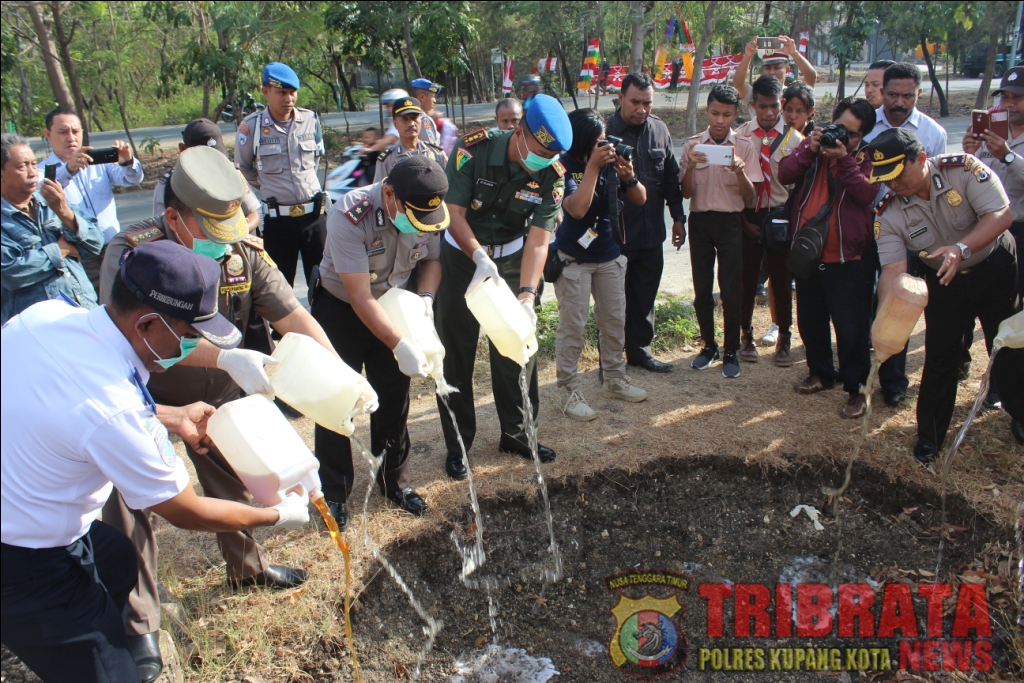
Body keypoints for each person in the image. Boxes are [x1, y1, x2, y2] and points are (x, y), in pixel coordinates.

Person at [1, 240, 310, 683]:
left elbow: (73, 408)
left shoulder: (43, 318)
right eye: (187, 336)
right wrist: (277, 514)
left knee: (116, 558)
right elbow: (187, 510)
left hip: (26, 513)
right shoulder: (116, 409)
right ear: (147, 323)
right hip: (26, 563)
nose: (192, 346)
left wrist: (170, 415)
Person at [97, 147, 331, 679]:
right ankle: (140, 624)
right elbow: (137, 333)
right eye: (210, 225)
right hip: (145, 398)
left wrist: (338, 371)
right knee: (133, 509)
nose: (223, 240)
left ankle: (247, 570)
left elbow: (292, 313)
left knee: (233, 480)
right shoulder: (131, 253)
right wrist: (228, 354)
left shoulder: (239, 250)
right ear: (175, 217)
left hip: (220, 391)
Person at [435, 93, 570, 480]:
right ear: (520, 130)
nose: (543, 160)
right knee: (457, 353)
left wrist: (527, 294)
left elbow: (540, 238)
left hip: (512, 260)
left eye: (551, 154)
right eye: (540, 150)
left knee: (516, 350)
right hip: (463, 259)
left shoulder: (552, 174)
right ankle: (459, 445)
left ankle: (518, 434)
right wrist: (478, 256)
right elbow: (454, 214)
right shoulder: (471, 149)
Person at [313, 156, 447, 527]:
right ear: (389, 194)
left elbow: (431, 262)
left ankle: (395, 483)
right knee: (336, 401)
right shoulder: (349, 214)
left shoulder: (429, 207)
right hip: (341, 309)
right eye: (410, 214)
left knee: (394, 395)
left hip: (393, 305)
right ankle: (335, 493)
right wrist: (399, 344)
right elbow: (359, 295)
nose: (419, 225)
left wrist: (425, 301)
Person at [869, 128, 1018, 463]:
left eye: (897, 174)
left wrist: (962, 248)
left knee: (1008, 346)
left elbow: (1001, 215)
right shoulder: (888, 212)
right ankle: (930, 438)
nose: (892, 184)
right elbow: (892, 272)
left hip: (994, 266)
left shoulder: (963, 169)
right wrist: (884, 321)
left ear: (921, 158)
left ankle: (1019, 413)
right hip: (943, 281)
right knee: (940, 356)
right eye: (885, 178)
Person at [778, 98, 877, 418]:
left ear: (861, 137)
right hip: (809, 252)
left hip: (846, 256)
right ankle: (821, 373)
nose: (842, 137)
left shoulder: (867, 158)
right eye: (839, 128)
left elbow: (866, 194)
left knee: (851, 329)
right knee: (811, 319)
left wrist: (845, 158)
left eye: (852, 134)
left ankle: (857, 389)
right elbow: (784, 172)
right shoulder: (812, 144)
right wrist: (811, 147)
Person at [551, 108, 648, 421]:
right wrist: (592, 167)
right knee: (573, 327)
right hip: (573, 259)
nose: (605, 147)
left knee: (613, 320)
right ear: (581, 142)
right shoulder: (562, 165)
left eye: (605, 141)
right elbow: (576, 210)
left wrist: (628, 176)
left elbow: (641, 199)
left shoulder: (610, 161)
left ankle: (615, 378)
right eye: (597, 143)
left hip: (607, 254)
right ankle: (568, 389)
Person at [863, 61, 949, 406]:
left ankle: (904, 381)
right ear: (881, 91)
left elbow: (939, 190)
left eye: (907, 96)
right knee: (883, 301)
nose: (899, 102)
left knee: (913, 304)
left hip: (921, 235)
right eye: (893, 94)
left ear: (919, 94)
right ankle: (888, 377)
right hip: (872, 228)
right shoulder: (866, 128)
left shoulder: (934, 133)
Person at [680, 84, 762, 378]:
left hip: (730, 223)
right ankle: (708, 345)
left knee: (730, 289)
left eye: (727, 114)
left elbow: (750, 196)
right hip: (701, 222)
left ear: (735, 115)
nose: (719, 120)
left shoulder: (745, 146)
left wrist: (739, 170)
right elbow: (686, 193)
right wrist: (690, 166)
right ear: (707, 111)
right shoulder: (693, 145)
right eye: (715, 113)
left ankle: (730, 349)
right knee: (702, 289)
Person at [606, 73, 686, 373]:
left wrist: (678, 218)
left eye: (647, 102)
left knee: (644, 296)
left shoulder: (659, 130)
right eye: (635, 102)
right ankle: (611, 358)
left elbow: (670, 179)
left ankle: (640, 351)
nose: (641, 109)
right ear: (621, 98)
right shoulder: (604, 132)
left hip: (652, 232)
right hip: (616, 235)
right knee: (614, 301)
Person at [236, 62, 328, 288]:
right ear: (265, 92)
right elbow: (244, 168)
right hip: (279, 221)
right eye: (281, 93)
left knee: (324, 284)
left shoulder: (310, 120)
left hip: (314, 217)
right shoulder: (252, 128)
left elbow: (315, 160)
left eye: (292, 92)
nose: (289, 99)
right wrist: (270, 185)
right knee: (279, 288)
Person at [735, 76, 804, 367]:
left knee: (781, 280)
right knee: (747, 280)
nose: (767, 113)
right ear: (752, 105)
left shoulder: (795, 139)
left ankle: (784, 339)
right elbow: (732, 185)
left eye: (774, 106)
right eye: (761, 106)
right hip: (749, 214)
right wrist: (742, 221)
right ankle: (746, 335)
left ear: (782, 104)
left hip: (781, 215)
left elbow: (800, 187)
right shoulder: (740, 136)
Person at [38, 108, 143, 290]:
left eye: (76, 131)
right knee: (92, 304)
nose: (71, 137)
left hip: (113, 247)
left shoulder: (97, 163)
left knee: (126, 298)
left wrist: (127, 161)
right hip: (80, 253)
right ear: (48, 134)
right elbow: (42, 194)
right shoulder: (42, 170)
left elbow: (132, 178)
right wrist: (68, 169)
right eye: (63, 132)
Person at [3, 133, 103, 322]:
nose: (32, 172)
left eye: (33, 164)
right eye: (22, 166)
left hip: (84, 314)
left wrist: (64, 211)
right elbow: (11, 273)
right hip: (38, 330)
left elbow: (95, 243)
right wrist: (61, 250)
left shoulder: (51, 202)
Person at [962, 65, 1024, 301]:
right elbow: (973, 184)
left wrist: (1008, 156)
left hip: (1021, 229)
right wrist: (970, 156)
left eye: (1018, 98)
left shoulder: (1001, 144)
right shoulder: (992, 131)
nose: (1010, 104)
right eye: (1006, 97)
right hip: (989, 231)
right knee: (990, 301)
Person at [153, 118, 260, 232]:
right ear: (183, 149)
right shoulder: (170, 184)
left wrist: (236, 235)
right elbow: (161, 227)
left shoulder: (231, 174)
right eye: (204, 156)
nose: (211, 162)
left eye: (216, 156)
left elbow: (253, 214)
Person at [734, 35, 817, 119]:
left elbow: (811, 77)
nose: (772, 72)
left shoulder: (794, 93)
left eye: (777, 68)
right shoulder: (755, 94)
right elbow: (738, 84)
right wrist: (748, 56)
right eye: (767, 68)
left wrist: (794, 53)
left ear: (787, 69)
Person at [373, 96, 448, 183]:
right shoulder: (387, 160)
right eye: (405, 119)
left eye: (414, 118)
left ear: (420, 120)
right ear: (395, 124)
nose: (411, 124)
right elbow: (379, 192)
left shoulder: (436, 153)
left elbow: (450, 182)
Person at [411, 78, 456, 154]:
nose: (435, 100)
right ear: (422, 97)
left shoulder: (406, 117)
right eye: (433, 97)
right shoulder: (423, 119)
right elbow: (430, 150)